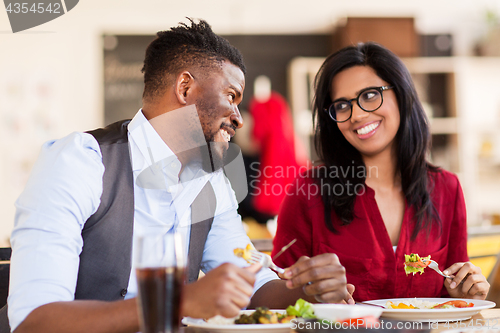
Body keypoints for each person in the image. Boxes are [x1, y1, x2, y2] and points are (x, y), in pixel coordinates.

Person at [5, 19, 352, 333]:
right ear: (185, 88)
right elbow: (34, 321)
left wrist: (306, 289)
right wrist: (178, 300)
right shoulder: (81, 162)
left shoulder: (209, 183)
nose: (239, 117)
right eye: (231, 96)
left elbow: (254, 287)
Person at [272, 42, 490, 302]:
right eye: (342, 105)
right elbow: (278, 289)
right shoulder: (307, 192)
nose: (357, 114)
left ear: (401, 94)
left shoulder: (447, 188)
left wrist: (466, 291)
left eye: (370, 95)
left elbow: (452, 289)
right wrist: (310, 295)